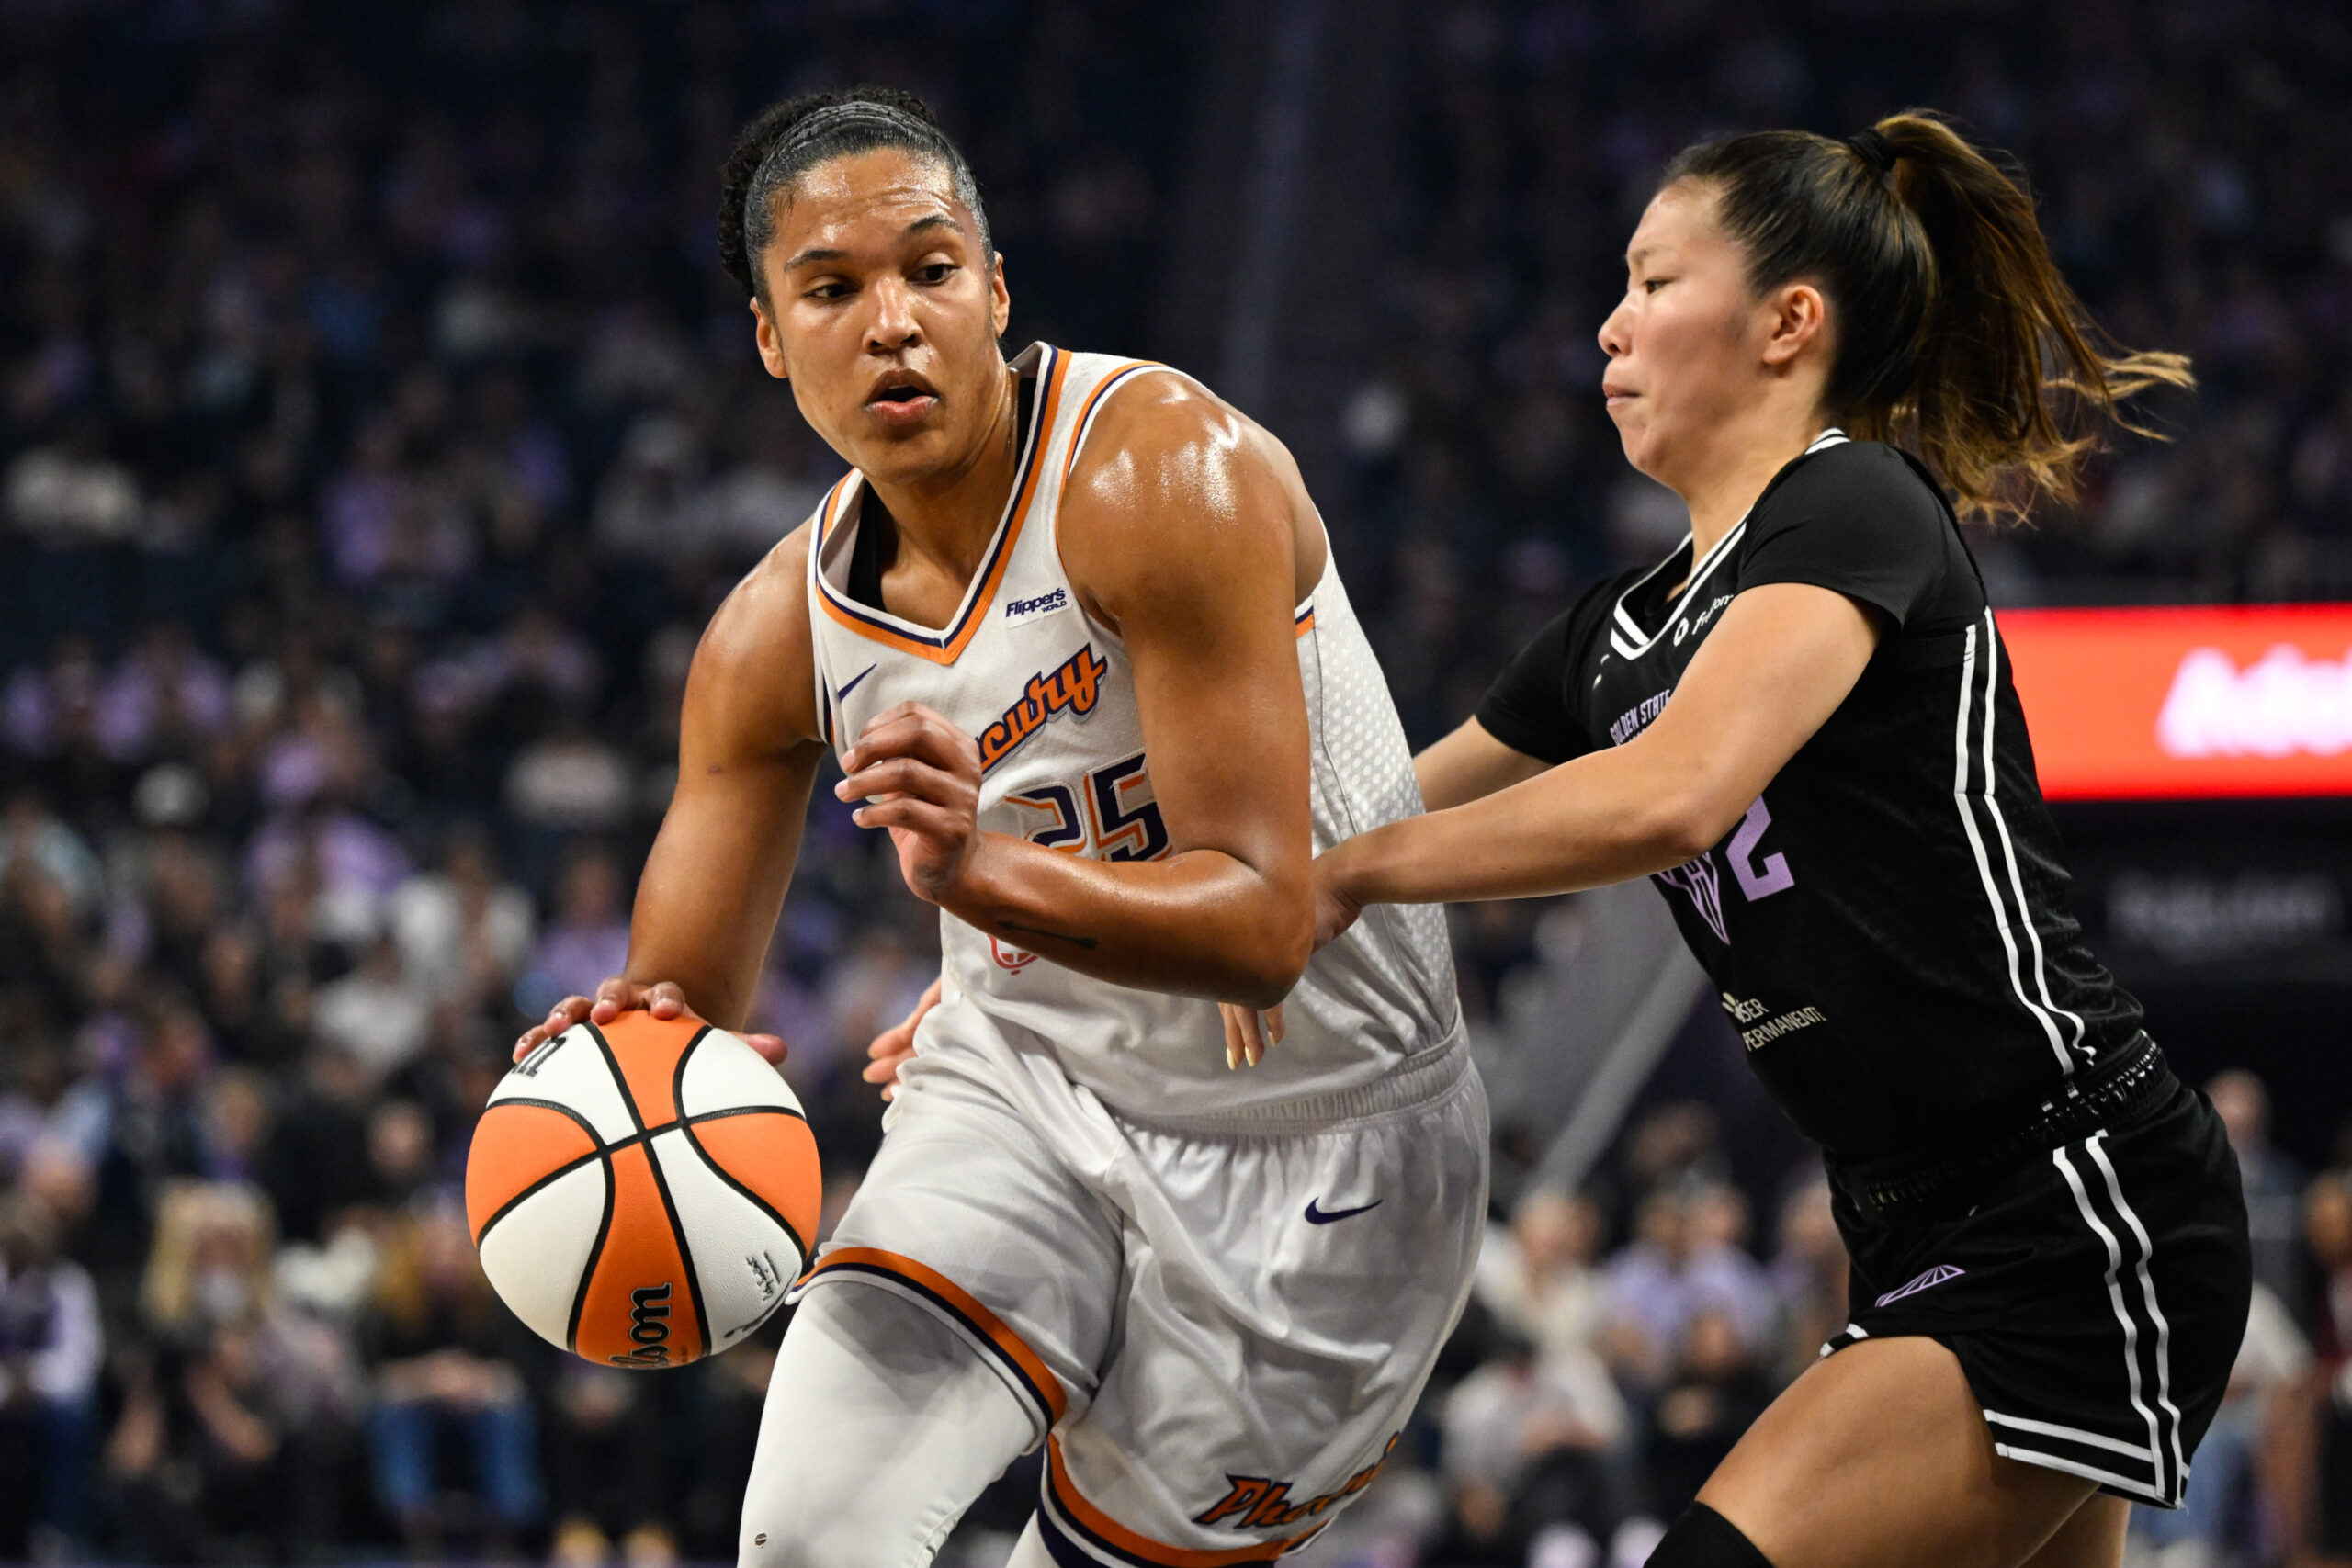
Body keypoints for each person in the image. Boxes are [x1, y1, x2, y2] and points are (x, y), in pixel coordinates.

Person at [1227, 114, 2252, 1568]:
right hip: (1916, 1224)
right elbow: (1339, 811)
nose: (1608, 323)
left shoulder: (1856, 504)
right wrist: (1066, 940)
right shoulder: (1609, 634)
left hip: (2073, 1188)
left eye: (1652, 283)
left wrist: (1343, 882)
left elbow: (1672, 793)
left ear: (1790, 322)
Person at [513, 87, 1480, 1567]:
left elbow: (1267, 929)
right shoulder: (771, 640)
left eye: (931, 270)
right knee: (804, 1541)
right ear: (770, 339)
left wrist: (980, 877)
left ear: (997, 289)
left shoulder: (1159, 472)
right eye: (831, 290)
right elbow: (687, 1002)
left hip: (1327, 1145)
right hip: (1021, 1090)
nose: (891, 322)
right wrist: (627, 1071)